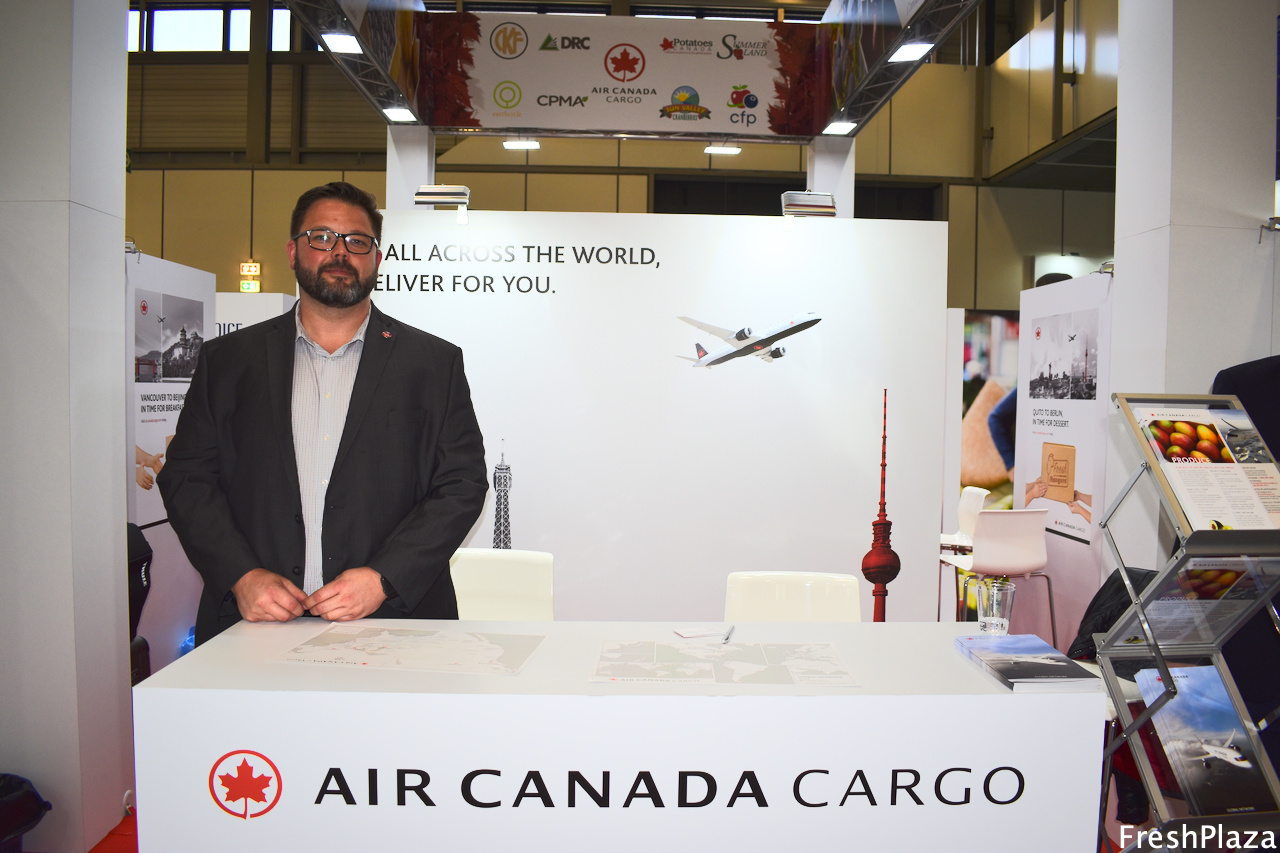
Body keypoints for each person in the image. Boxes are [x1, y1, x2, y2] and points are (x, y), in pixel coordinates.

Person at [158, 181, 487, 644]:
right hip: (255, 627)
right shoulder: (228, 361)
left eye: (357, 241)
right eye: (322, 237)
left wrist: (385, 577)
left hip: (396, 627)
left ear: (377, 258)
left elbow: (462, 484)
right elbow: (187, 478)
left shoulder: (433, 363)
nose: (340, 252)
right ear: (293, 252)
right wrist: (241, 575)